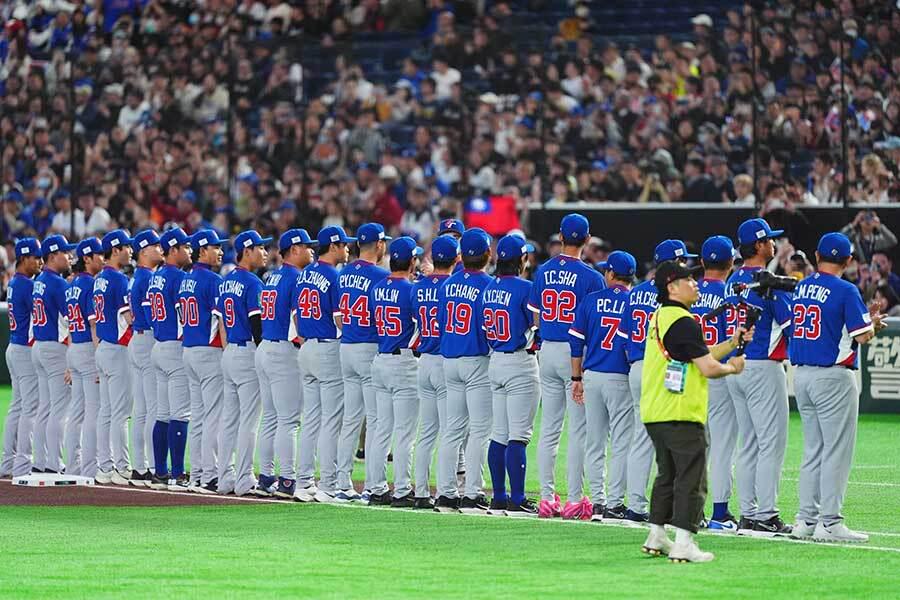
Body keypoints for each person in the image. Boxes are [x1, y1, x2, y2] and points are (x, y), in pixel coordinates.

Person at [639, 260, 747, 563]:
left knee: (667, 476)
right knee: (691, 477)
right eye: (689, 280)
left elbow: (695, 351)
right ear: (672, 287)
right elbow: (708, 367)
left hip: (656, 410)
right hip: (681, 411)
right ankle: (685, 542)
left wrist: (730, 343)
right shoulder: (684, 321)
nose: (696, 284)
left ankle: (657, 534)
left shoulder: (662, 316)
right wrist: (733, 367)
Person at [789, 232, 888, 543]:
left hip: (801, 375)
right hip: (832, 375)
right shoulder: (845, 289)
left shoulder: (802, 284)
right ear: (848, 260)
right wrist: (872, 325)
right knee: (836, 451)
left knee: (813, 450)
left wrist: (864, 324)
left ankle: (806, 520)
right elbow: (861, 336)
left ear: (817, 257)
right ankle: (829, 522)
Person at [530, 214, 605, 519]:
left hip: (547, 348)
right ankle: (575, 499)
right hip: (576, 354)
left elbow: (536, 317)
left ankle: (547, 498)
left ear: (560, 236)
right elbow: (595, 324)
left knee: (548, 428)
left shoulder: (543, 270)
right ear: (587, 240)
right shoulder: (591, 277)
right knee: (578, 430)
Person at [726, 218, 794, 536]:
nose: (773, 244)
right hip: (763, 366)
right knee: (771, 443)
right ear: (757, 245)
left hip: (736, 365)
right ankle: (765, 514)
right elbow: (792, 323)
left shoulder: (734, 278)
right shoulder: (765, 282)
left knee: (750, 443)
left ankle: (749, 513)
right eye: (768, 239)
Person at [622, 239, 696, 523]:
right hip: (663, 368)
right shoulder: (676, 297)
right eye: (682, 262)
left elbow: (625, 338)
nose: (686, 266)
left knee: (641, 438)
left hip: (636, 368)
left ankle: (636, 505)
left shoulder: (635, 292)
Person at [569, 251, 636, 522]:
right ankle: (615, 503)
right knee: (622, 443)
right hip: (621, 376)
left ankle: (597, 502)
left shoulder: (591, 300)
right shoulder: (634, 301)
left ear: (610, 274)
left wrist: (576, 378)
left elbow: (576, 342)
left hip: (593, 375)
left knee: (595, 442)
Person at [294, 226, 355, 503]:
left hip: (306, 347)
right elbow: (341, 318)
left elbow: (296, 316)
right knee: (332, 420)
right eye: (343, 244)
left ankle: (304, 481)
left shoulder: (305, 274)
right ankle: (329, 484)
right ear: (333, 246)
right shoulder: (334, 275)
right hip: (328, 347)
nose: (347, 249)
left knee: (311, 421)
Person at [256, 228, 317, 499]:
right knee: (289, 420)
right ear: (294, 249)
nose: (311, 250)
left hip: (265, 348)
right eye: (306, 246)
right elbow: (297, 322)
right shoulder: (297, 277)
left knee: (270, 418)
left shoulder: (272, 276)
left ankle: (266, 477)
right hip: (283, 349)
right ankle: (288, 480)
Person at [436, 227, 494, 513]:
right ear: (487, 253)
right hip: (476, 359)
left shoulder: (447, 284)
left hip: (449, 359)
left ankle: (446, 494)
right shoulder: (489, 284)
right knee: (480, 430)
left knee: (452, 430)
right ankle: (472, 492)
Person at [483, 234, 540, 517]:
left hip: (495, 360)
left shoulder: (488, 289)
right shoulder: (526, 288)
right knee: (518, 434)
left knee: (500, 434)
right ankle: (516, 497)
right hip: (520, 361)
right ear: (521, 259)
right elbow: (536, 325)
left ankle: (498, 496)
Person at [335, 223, 390, 503]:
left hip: (347, 345)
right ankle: (372, 485)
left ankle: (341, 482)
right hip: (369, 346)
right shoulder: (382, 275)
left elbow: (338, 317)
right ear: (379, 245)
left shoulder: (343, 273)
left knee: (351, 419)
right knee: (377, 420)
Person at [368, 236, 423, 506]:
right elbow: (420, 328)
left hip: (380, 358)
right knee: (404, 433)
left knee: (381, 429)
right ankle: (401, 489)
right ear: (412, 260)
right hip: (403, 362)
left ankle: (377, 488)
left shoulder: (377, 287)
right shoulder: (412, 290)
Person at [216, 230, 270, 497]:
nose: (265, 253)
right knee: (249, 420)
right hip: (247, 351)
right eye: (260, 248)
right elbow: (256, 324)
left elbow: (223, 324)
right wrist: (262, 354)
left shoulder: (226, 281)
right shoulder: (252, 283)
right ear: (247, 251)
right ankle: (244, 479)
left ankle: (225, 478)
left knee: (229, 420)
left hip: (229, 353)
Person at [691, 236, 739, 531]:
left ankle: (691, 510)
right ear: (732, 262)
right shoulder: (730, 294)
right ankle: (720, 513)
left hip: (689, 373)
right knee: (722, 446)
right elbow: (733, 339)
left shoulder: (689, 292)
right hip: (717, 373)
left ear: (702, 262)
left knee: (695, 447)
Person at [412, 235, 459, 510]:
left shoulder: (417, 288)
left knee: (427, 432)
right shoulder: (453, 286)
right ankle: (446, 491)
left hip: (423, 359)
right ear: (456, 259)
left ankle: (420, 491)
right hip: (444, 360)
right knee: (450, 431)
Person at [180, 229, 227, 495]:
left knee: (198, 415)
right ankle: (210, 475)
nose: (220, 250)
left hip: (189, 349)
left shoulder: (187, 279)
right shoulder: (212, 280)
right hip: (209, 351)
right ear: (202, 250)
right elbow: (221, 321)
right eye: (215, 246)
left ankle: (197, 473)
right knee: (213, 416)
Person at [147, 227, 193, 491]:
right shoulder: (177, 277)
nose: (189, 251)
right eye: (185, 246)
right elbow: (185, 317)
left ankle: (161, 472)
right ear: (173, 249)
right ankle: (176, 473)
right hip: (174, 347)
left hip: (158, 345)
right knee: (179, 414)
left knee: (162, 414)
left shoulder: (156, 276)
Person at [31, 233, 76, 475]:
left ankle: (40, 461)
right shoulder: (58, 283)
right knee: (60, 408)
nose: (69, 256)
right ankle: (54, 463)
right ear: (52, 256)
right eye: (65, 252)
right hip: (54, 347)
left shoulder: (40, 279)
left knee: (45, 408)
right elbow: (71, 322)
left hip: (39, 346)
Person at [94, 229, 135, 485]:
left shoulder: (99, 278)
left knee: (106, 412)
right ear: (116, 249)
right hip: (118, 349)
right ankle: (122, 468)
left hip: (103, 347)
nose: (130, 250)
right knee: (120, 414)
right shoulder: (119, 280)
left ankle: (105, 466)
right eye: (127, 247)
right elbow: (129, 318)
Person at [1, 238, 42, 478]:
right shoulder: (27, 285)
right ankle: (23, 464)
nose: (39, 262)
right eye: (36, 257)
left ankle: (8, 462)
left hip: (14, 347)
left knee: (17, 408)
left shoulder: (15, 283)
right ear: (24, 258)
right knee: (30, 408)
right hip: (25, 349)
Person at [64, 238, 104, 479]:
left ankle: (73, 466)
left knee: (77, 412)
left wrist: (69, 361)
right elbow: (93, 324)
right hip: (88, 348)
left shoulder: (71, 286)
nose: (103, 257)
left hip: (75, 347)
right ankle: (90, 468)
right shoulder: (90, 284)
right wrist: (99, 359)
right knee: (93, 411)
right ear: (87, 258)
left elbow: (70, 325)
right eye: (98, 254)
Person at [127, 229, 163, 487]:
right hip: (148, 338)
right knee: (151, 408)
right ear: (143, 251)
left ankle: (139, 468)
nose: (160, 248)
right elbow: (153, 317)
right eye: (155, 245)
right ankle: (150, 466)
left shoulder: (136, 277)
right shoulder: (148, 278)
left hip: (136, 340)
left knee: (140, 410)